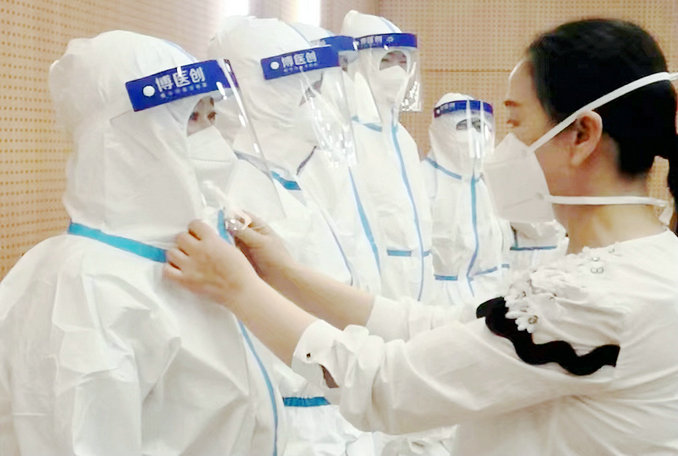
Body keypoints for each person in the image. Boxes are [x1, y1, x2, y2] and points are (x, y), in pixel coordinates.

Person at [166, 19, 678, 454]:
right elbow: (440, 327)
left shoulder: (595, 297)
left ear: (582, 135)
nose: (498, 149)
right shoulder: (623, 264)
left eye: (515, 124)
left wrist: (238, 289)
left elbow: (387, 386)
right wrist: (287, 273)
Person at [0, 31, 285, 455]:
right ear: (125, 134)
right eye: (190, 119)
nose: (213, 141)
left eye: (211, 117)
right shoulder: (87, 286)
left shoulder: (194, 257)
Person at [341, 10, 435, 303]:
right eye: (385, 61)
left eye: (402, 61)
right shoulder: (348, 132)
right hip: (376, 284)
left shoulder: (403, 138)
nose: (396, 71)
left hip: (420, 280)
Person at [424, 93, 514, 307]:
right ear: (443, 130)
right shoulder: (423, 180)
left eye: (480, 125)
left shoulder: (491, 182)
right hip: (442, 301)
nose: (475, 134)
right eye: (464, 125)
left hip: (494, 294)